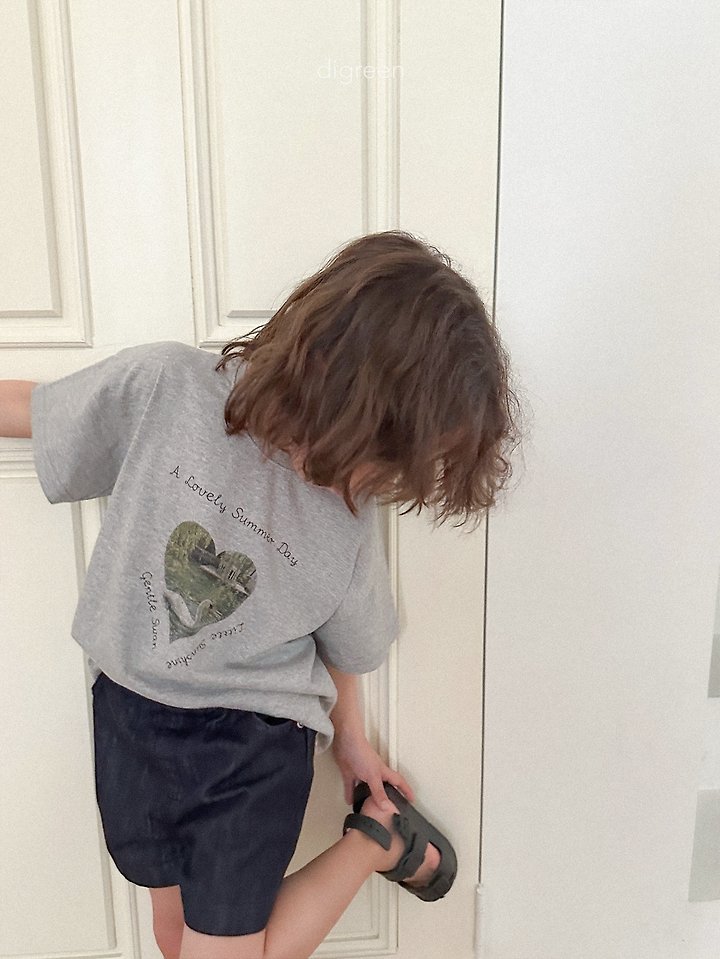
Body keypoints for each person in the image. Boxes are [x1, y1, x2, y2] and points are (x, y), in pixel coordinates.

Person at [0, 230, 522, 959]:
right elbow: (40, 409)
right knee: (173, 938)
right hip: (128, 715)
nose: (371, 478)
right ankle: (379, 838)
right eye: (379, 450)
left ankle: (375, 841)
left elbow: (347, 645)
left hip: (250, 748)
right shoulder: (170, 387)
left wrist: (352, 745)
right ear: (329, 366)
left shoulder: (347, 518)